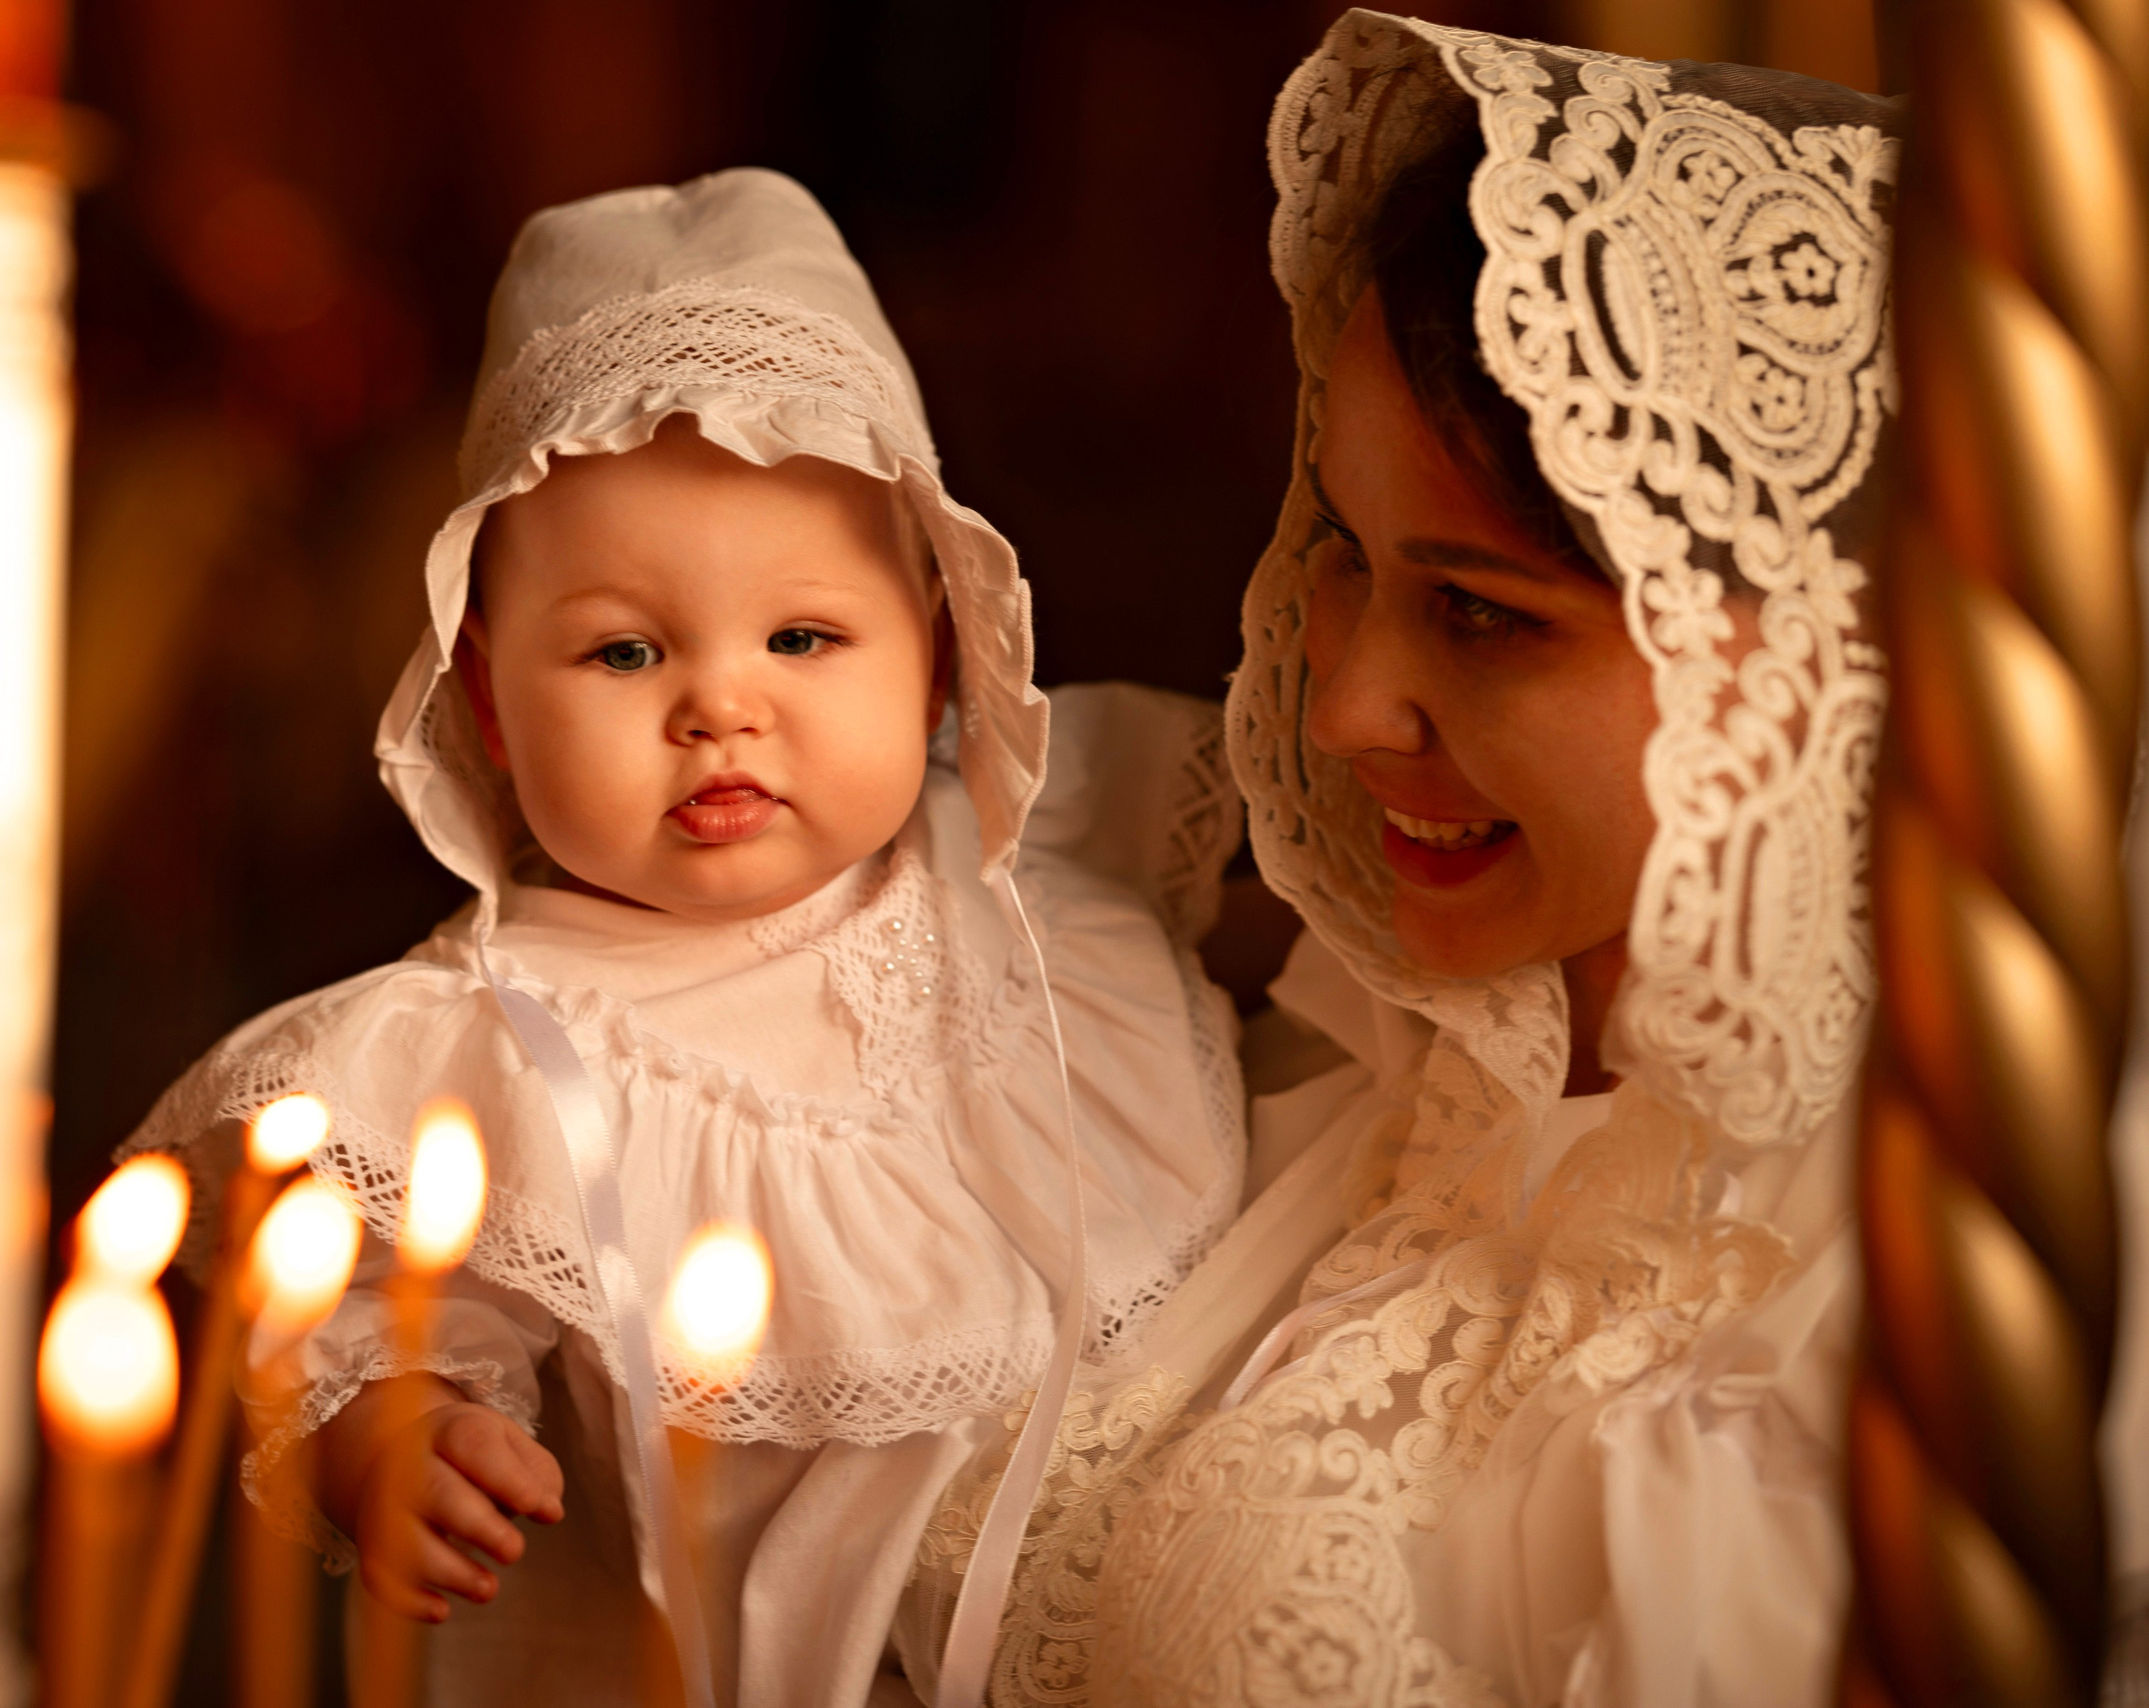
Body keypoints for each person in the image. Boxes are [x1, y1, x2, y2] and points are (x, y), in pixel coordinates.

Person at [120, 167, 1247, 1707]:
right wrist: (401, 1447)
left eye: (803, 638)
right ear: (490, 705)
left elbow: (1315, 936)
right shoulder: (488, 1041)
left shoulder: (1045, 853)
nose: (721, 705)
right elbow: (380, 1317)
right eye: (624, 650)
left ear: (935, 656)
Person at [898, 15, 1898, 1704]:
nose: (1347, 704)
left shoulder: (1875, 1314)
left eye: (1486, 614)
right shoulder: (1310, 1084)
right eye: (1343, 556)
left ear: (1811, 655)